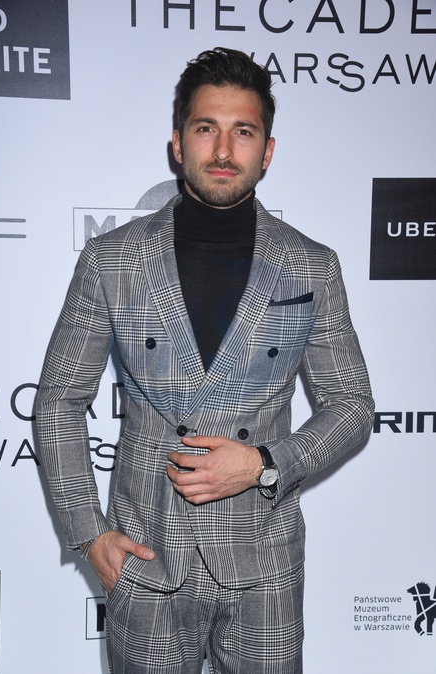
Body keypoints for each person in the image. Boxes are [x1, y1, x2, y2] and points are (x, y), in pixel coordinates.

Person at [36, 47, 374, 674]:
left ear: (267, 150)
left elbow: (352, 406)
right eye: (205, 128)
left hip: (263, 565)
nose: (223, 150)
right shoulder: (111, 260)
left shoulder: (311, 265)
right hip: (147, 558)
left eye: (243, 131)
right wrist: (87, 531)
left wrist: (264, 463)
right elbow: (60, 400)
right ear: (177, 142)